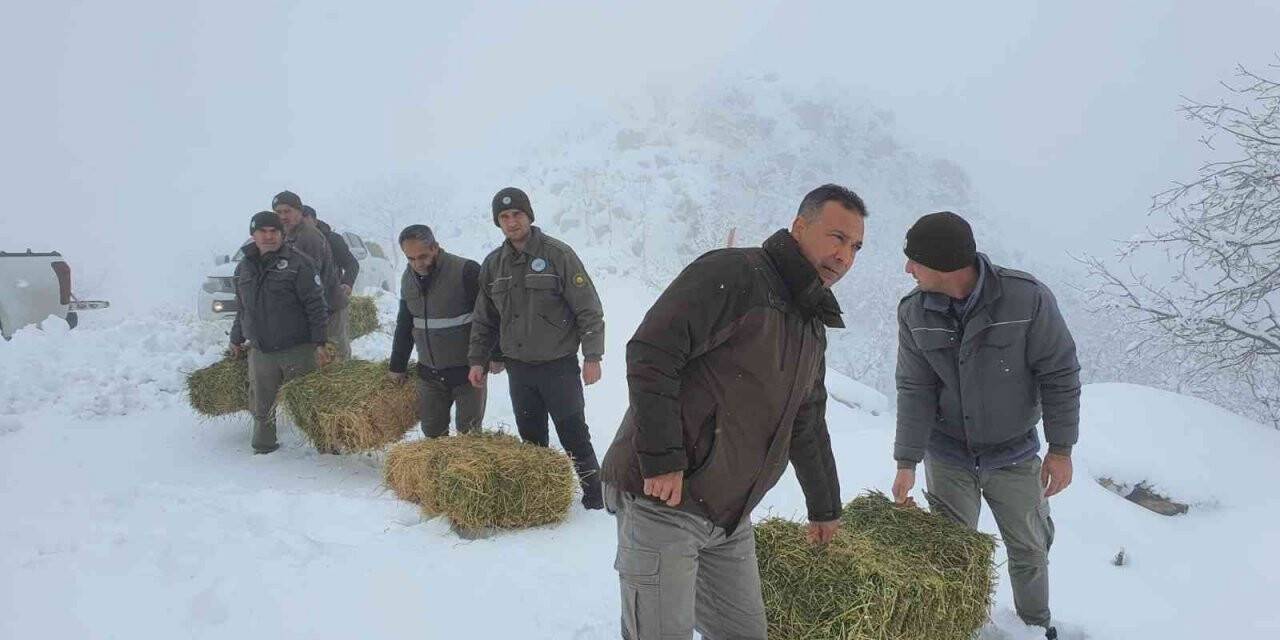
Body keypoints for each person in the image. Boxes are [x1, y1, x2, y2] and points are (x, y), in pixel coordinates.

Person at [600, 184, 867, 640]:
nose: (844, 256)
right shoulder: (736, 275)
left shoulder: (810, 323)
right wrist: (663, 458)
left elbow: (807, 421)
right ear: (800, 226)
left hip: (728, 516)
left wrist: (824, 508)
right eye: (836, 237)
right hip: (665, 499)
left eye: (855, 246)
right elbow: (652, 352)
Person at [890, 211, 1080, 640]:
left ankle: (1035, 626)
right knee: (952, 552)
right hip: (948, 454)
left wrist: (1061, 449)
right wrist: (907, 460)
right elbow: (914, 388)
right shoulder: (914, 313)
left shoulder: (1026, 299)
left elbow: (1060, 372)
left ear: (944, 264)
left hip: (1013, 454)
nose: (907, 270)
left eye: (914, 261)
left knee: (1030, 549)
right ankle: (958, 628)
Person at [468, 187, 606, 509]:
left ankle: (595, 497)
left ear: (529, 215)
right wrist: (478, 359)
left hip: (558, 365)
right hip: (520, 369)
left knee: (573, 432)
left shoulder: (558, 255)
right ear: (497, 222)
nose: (511, 221)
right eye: (504, 217)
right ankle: (543, 498)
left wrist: (593, 356)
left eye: (517, 214)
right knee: (531, 438)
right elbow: (484, 318)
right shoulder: (493, 265)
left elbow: (588, 308)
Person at [229, 211, 331, 454]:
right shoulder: (244, 267)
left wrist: (320, 343)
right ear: (252, 235)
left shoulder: (299, 264)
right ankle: (263, 446)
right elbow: (242, 306)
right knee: (261, 403)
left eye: (274, 231)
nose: (268, 236)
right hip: (261, 350)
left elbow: (316, 305)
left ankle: (326, 446)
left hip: (297, 348)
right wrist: (236, 337)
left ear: (282, 234)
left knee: (308, 401)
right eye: (262, 231)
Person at [388, 224, 486, 437]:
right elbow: (405, 324)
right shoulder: (407, 279)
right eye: (410, 259)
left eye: (422, 256)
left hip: (467, 373)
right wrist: (398, 364)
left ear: (435, 247)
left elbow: (488, 318)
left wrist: (490, 357)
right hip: (429, 374)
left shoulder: (466, 271)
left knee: (469, 435)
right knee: (432, 433)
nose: (417, 264)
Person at [272, 191, 344, 354]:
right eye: (278, 212)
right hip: (310, 310)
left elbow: (313, 280)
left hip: (328, 308)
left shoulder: (308, 236)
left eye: (287, 211)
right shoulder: (285, 235)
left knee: (334, 359)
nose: (283, 216)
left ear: (299, 211)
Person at [305, 205, 360, 358]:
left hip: (332, 301)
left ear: (315, 220)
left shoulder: (332, 239)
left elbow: (352, 264)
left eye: (306, 221)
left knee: (336, 347)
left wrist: (347, 283)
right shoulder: (291, 242)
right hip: (308, 305)